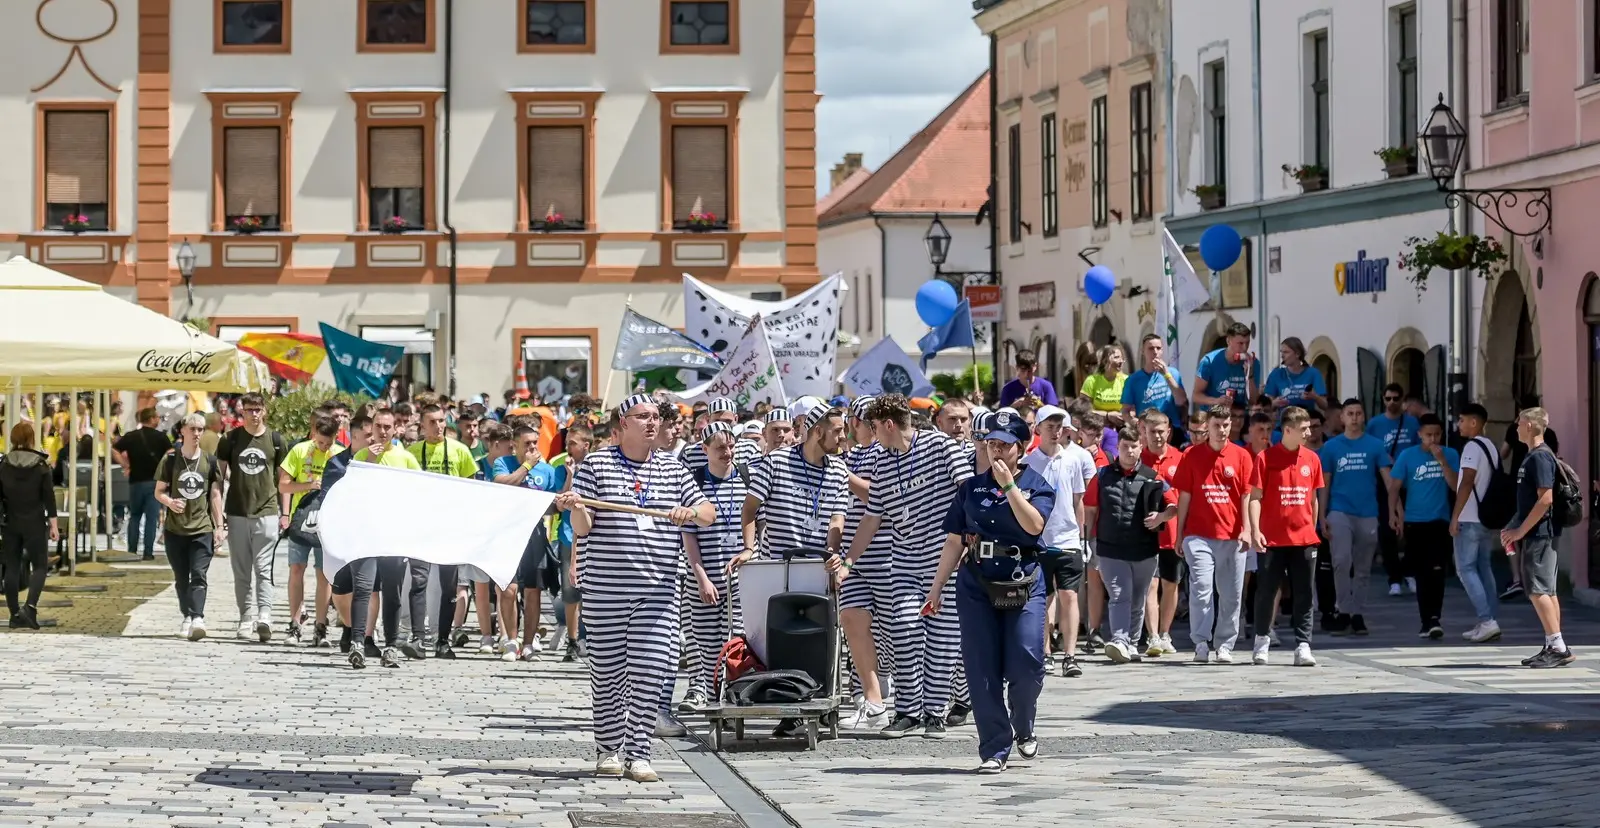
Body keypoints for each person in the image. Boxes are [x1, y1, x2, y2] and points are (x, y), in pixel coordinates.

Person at [555, 395, 714, 783]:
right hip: (606, 590)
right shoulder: (597, 465)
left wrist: (690, 512)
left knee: (651, 670)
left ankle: (639, 753)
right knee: (608, 674)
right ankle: (609, 749)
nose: (652, 422)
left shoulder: (673, 468)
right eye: (643, 416)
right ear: (623, 423)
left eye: (655, 417)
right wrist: (577, 507)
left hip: (658, 590)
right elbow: (583, 527)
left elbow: (708, 513)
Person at [922, 409, 1053, 774]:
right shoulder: (971, 488)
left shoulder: (1037, 484)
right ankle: (995, 748)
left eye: (1005, 445)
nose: (997, 450)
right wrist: (936, 588)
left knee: (1027, 661)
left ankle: (1023, 724)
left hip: (1022, 580)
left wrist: (1010, 487)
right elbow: (954, 540)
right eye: (992, 443)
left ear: (1020, 448)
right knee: (980, 667)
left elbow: (1034, 526)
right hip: (977, 582)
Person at [835, 394, 973, 738]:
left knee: (942, 640)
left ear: (888, 425)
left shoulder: (941, 446)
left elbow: (967, 490)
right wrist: (849, 561)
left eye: (874, 427)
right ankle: (908, 712)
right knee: (905, 630)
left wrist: (968, 538)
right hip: (906, 562)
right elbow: (872, 519)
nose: (872, 434)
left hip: (945, 559)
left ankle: (934, 713)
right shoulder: (882, 461)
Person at [1173, 405, 1258, 663]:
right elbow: (1184, 496)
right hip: (1198, 534)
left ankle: (1224, 645)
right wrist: (1179, 534)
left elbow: (1246, 495)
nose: (1221, 430)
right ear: (1207, 427)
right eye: (1216, 425)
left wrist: (1247, 529)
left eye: (1225, 425)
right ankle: (1200, 641)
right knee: (1201, 588)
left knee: (1231, 594)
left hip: (1232, 536)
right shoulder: (1191, 455)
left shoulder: (1242, 456)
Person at [1085, 427, 1175, 664]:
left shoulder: (1152, 476)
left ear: (1141, 447)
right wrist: (1086, 540)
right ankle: (1119, 640)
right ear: (1118, 448)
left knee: (1137, 598)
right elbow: (1090, 509)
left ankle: (1132, 643)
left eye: (1134, 446)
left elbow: (1173, 505)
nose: (1129, 451)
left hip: (1144, 549)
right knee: (1119, 595)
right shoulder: (1102, 475)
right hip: (1109, 548)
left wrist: (1161, 517)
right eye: (1124, 446)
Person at [342, 409, 419, 669]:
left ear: (395, 429)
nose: (383, 431)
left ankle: (391, 646)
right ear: (371, 428)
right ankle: (357, 643)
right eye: (379, 426)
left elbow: (419, 492)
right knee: (363, 588)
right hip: (365, 533)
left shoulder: (406, 458)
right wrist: (371, 461)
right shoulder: (361, 456)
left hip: (393, 534)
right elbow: (353, 491)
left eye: (388, 426)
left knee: (392, 592)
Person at [1248, 406, 1324, 666]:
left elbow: (1313, 499)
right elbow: (1255, 497)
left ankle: (1303, 645)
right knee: (1266, 592)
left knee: (1304, 593)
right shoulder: (1265, 458)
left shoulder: (1312, 459)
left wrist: (1312, 529)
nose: (1309, 433)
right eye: (1304, 429)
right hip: (1272, 539)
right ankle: (1262, 640)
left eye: (1309, 428)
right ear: (1288, 430)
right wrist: (1256, 530)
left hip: (1304, 539)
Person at [678, 423, 747, 711]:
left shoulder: (746, 478)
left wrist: (750, 551)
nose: (727, 452)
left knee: (737, 639)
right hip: (705, 576)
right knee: (706, 641)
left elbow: (758, 523)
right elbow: (689, 537)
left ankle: (732, 695)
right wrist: (702, 578)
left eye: (731, 446)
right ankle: (709, 694)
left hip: (740, 579)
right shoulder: (694, 484)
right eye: (720, 448)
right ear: (705, 449)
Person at [1501, 407, 1575, 669]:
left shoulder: (1540, 457)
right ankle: (1552, 644)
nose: (1516, 427)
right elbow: (1528, 502)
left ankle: (1558, 647)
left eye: (1519, 423)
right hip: (1538, 532)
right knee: (1546, 590)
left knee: (1537, 590)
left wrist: (1520, 531)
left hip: (1540, 534)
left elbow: (1545, 499)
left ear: (1530, 426)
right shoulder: (1532, 456)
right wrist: (1513, 526)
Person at [836, 396, 894, 728]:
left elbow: (877, 497)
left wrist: (844, 475)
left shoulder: (886, 454)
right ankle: (873, 702)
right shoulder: (850, 455)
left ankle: (894, 685)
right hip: (853, 557)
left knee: (891, 632)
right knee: (852, 618)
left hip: (887, 555)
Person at [407, 403, 481, 657]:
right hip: (421, 527)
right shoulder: (412, 453)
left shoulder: (460, 451)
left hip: (451, 528)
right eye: (432, 422)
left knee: (449, 587)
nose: (438, 426)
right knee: (419, 582)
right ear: (422, 425)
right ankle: (418, 638)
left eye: (441, 421)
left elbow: (473, 489)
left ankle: (442, 640)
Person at [1022, 405, 1091, 676]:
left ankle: (1070, 655)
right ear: (1038, 429)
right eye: (1049, 427)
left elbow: (1077, 501)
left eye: (1059, 427)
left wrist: (1082, 538)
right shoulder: (1028, 462)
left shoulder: (1073, 460)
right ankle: (1046, 651)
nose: (1055, 432)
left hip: (1068, 539)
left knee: (1069, 595)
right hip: (1039, 540)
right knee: (1042, 598)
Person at [215, 393, 289, 643]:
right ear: (242, 412)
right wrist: (218, 516)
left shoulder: (276, 440)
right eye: (249, 410)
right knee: (241, 571)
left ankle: (265, 615)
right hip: (237, 511)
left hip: (267, 511)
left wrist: (285, 512)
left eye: (258, 409)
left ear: (264, 411)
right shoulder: (230, 439)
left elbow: (283, 480)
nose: (254, 414)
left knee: (263, 568)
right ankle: (245, 618)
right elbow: (218, 479)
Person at [1320, 399, 1391, 636]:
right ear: (1342, 417)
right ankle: (1343, 609)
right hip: (1339, 510)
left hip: (1368, 512)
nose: (1354, 418)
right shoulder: (1331, 447)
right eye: (1349, 413)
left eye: (1358, 413)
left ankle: (1357, 613)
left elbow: (1388, 480)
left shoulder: (1375, 445)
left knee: (1363, 567)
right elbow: (1325, 483)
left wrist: (1396, 509)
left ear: (1364, 416)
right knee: (1341, 560)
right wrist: (1321, 515)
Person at [1386, 414, 1459, 640]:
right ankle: (1425, 620)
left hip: (1440, 520)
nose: (1433, 439)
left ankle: (1435, 618)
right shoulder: (1407, 455)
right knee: (1421, 573)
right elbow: (1394, 487)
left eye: (1437, 434)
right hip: (1415, 521)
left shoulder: (1450, 454)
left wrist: (1442, 461)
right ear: (1419, 434)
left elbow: (1456, 485)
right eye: (1428, 435)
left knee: (1437, 570)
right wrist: (1393, 514)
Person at [493, 423, 562, 661]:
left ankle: (529, 643)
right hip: (507, 533)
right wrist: (526, 466)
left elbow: (551, 505)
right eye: (527, 443)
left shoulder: (547, 470)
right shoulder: (503, 463)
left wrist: (560, 504)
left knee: (533, 591)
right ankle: (511, 642)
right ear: (515, 445)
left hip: (534, 534)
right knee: (509, 589)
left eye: (535, 442)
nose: (533, 447)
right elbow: (501, 485)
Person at [155, 413, 227, 641]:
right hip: (175, 529)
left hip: (202, 528)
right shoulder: (170, 460)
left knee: (199, 574)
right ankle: (186, 615)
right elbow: (159, 491)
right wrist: (170, 502)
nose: (197, 433)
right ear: (183, 431)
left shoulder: (210, 461)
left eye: (200, 429)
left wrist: (219, 526)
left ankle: (197, 618)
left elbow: (215, 495)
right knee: (181, 577)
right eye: (193, 429)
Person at [277, 415, 345, 647]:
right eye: (320, 442)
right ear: (314, 433)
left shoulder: (340, 454)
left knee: (324, 575)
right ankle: (295, 624)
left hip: (328, 524)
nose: (324, 447)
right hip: (301, 520)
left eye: (328, 443)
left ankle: (320, 627)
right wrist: (308, 486)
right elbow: (283, 485)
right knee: (296, 569)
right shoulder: (299, 451)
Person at [1449, 403, 1502, 643]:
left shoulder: (1471, 447)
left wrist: (1455, 516)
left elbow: (1467, 481)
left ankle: (1487, 620)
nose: (1458, 424)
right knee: (1484, 568)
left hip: (1470, 517)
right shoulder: (1490, 446)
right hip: (1485, 518)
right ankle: (1489, 620)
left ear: (1474, 422)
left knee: (1465, 569)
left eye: (1462, 420)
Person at [0, 422, 60, 629]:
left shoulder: (3, 464)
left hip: (9, 522)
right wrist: (54, 525)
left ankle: (15, 614)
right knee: (40, 566)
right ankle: (30, 607)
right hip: (35, 521)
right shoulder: (41, 466)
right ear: (31, 439)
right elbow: (49, 497)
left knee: (12, 567)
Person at [1138, 410, 1184, 656]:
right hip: (1146, 534)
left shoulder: (1180, 458)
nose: (1157, 436)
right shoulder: (1138, 459)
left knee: (1171, 584)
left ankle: (1165, 633)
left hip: (1174, 533)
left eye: (1160, 432)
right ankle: (1153, 636)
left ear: (1169, 432)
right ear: (1144, 432)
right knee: (1150, 584)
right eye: (1152, 431)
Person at [1370, 383, 1420, 596]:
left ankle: (1409, 570)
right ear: (1383, 399)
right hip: (1385, 482)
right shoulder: (1374, 424)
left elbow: (1419, 448)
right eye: (1388, 398)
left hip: (1410, 482)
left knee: (1412, 528)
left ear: (1402, 400)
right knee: (1387, 530)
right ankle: (1394, 578)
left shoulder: (1412, 423)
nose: (1391, 402)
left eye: (1396, 398)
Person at [113, 407, 173, 561]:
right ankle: (148, 552)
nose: (158, 420)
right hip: (155, 483)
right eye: (157, 417)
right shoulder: (161, 437)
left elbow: (115, 450)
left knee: (135, 516)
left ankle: (132, 551)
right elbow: (171, 454)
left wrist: (125, 465)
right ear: (151, 419)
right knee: (151, 519)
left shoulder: (131, 436)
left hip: (135, 481)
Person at [1122, 334, 1189, 443]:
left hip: (1173, 431)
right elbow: (1125, 411)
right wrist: (1136, 423)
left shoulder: (1173, 373)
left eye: (1158, 348)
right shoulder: (1133, 380)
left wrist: (1166, 375)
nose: (1155, 352)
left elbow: (1182, 400)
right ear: (1143, 351)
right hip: (1149, 432)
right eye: (1151, 348)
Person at [1192, 322, 1260, 409]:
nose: (1244, 348)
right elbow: (1196, 396)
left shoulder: (1253, 363)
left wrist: (1250, 376)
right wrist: (1216, 401)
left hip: (1239, 414)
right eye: (1240, 343)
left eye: (1247, 343)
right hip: (1214, 414)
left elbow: (1253, 401)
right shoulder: (1209, 362)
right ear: (1228, 341)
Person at [1262, 337, 1328, 415]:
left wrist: (1315, 397)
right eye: (1281, 352)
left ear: (1297, 354)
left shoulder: (1313, 373)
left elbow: (1325, 406)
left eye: (1286, 352)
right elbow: (1265, 408)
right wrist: (1274, 403)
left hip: (1307, 419)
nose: (1282, 356)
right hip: (1284, 420)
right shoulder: (1276, 374)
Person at [1079, 344, 1130, 435]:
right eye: (1116, 357)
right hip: (1096, 429)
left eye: (1122, 358)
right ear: (1104, 361)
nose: (1121, 361)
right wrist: (1107, 416)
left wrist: (1124, 416)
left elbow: (1133, 408)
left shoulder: (1127, 381)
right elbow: (1083, 410)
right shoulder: (1092, 381)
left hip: (1121, 430)